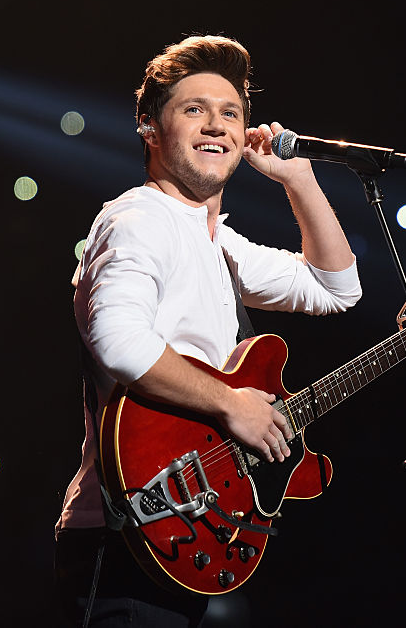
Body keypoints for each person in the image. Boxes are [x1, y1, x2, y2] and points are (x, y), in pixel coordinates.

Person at [53, 34, 362, 627]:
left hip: (180, 524)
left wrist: (298, 180)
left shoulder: (218, 241)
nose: (216, 125)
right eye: (194, 109)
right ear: (149, 127)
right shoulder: (139, 220)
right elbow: (119, 341)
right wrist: (231, 404)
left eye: (231, 113)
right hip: (128, 531)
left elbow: (337, 288)